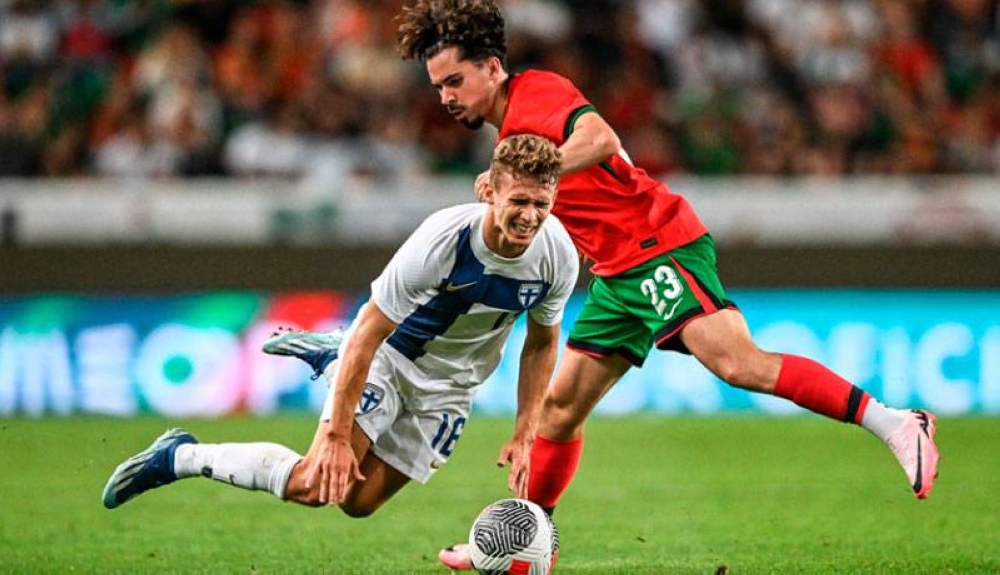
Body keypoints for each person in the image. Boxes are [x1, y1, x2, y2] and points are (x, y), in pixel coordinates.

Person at [392, 1, 941, 569]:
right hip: (616, 272)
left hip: (657, 245)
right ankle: (524, 542)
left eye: (454, 81)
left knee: (738, 364)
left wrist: (531, 175)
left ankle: (897, 423)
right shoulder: (509, 131)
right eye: (438, 87)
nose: (446, 97)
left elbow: (601, 138)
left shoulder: (535, 93)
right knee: (558, 412)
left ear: (492, 67)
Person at [102, 134, 580, 522]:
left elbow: (541, 344)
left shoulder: (557, 254)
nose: (530, 216)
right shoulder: (442, 243)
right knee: (316, 485)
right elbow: (369, 331)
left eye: (542, 202)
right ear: (488, 190)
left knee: (358, 502)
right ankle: (180, 456)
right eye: (519, 200)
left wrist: (526, 431)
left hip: (452, 387)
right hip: (390, 358)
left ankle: (333, 357)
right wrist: (334, 433)